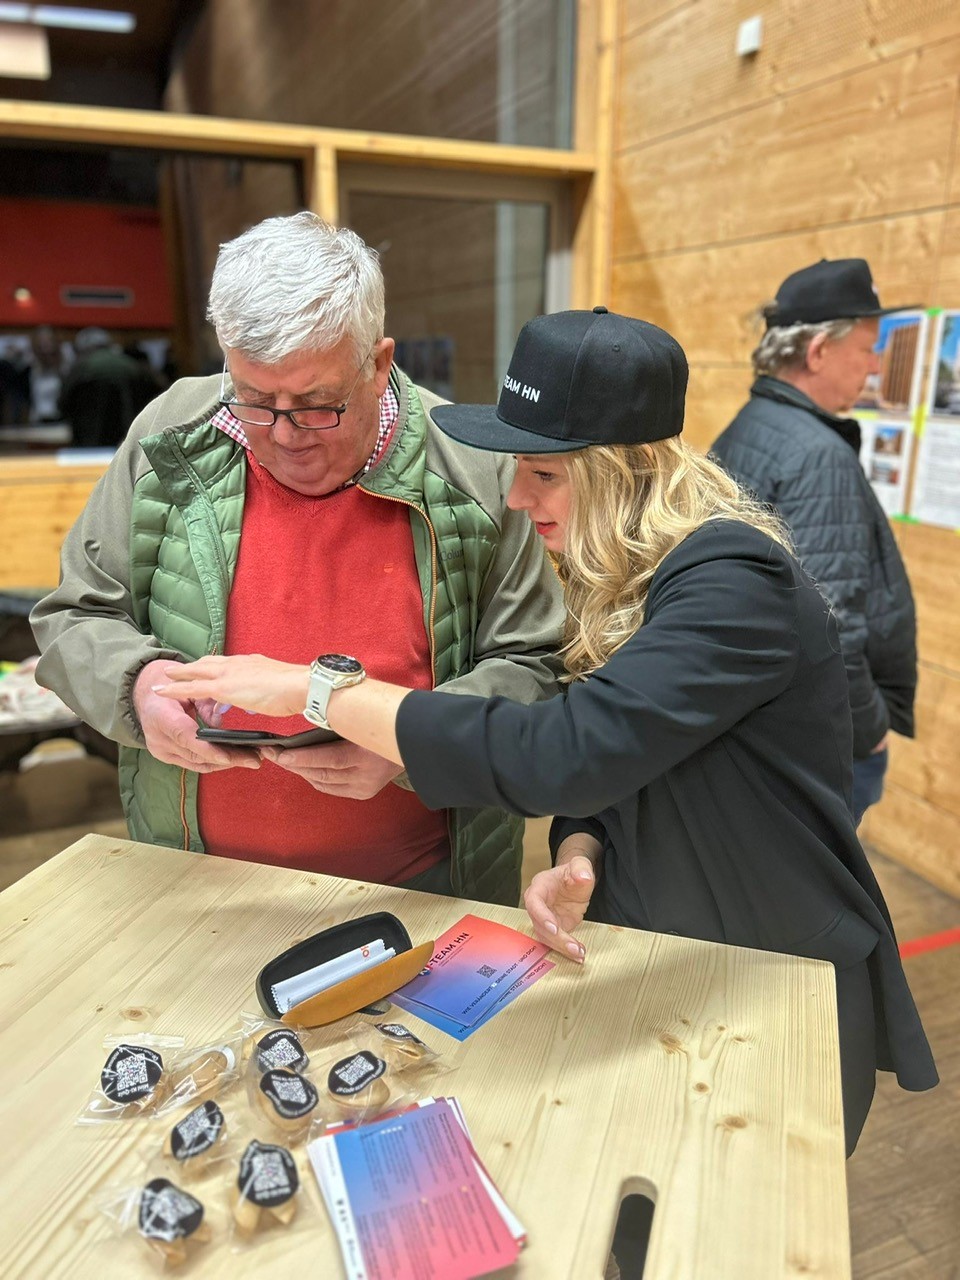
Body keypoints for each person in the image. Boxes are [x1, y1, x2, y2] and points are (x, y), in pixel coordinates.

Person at [153, 308, 937, 1251]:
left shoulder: (736, 579)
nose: (519, 498)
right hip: (673, 959)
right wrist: (581, 845)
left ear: (629, 468)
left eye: (547, 472)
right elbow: (615, 763)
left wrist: (312, 690)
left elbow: (559, 748)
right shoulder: (634, 573)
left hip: (775, 980)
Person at [31, 213, 564, 906]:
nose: (285, 437)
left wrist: (407, 740)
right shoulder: (168, 435)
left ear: (377, 365)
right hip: (194, 886)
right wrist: (137, 688)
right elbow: (75, 615)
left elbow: (537, 666)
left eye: (317, 405)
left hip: (424, 894)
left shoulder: (472, 473)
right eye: (255, 401)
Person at [711, 258, 918, 825]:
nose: (874, 368)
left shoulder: (751, 422)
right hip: (817, 738)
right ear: (819, 351)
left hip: (758, 724)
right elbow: (831, 622)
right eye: (868, 350)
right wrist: (870, 732)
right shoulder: (818, 454)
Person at [59, 326, 160, 447]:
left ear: (83, 348)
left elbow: (63, 401)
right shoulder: (131, 365)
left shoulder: (81, 367)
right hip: (129, 437)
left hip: (89, 439)